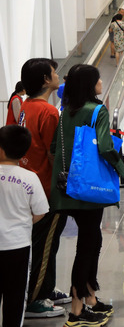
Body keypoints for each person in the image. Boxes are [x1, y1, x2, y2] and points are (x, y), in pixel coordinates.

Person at [52, 64, 123, 326]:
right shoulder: (97, 110)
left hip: (67, 187)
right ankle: (77, 311)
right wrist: (120, 165)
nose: (101, 82)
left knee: (91, 242)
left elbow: (53, 148)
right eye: (98, 79)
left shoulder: (64, 113)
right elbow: (105, 147)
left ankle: (90, 297)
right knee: (87, 247)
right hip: (90, 191)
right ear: (89, 84)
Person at [17, 59, 68, 319]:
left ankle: (46, 287)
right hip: (46, 189)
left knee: (44, 242)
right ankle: (36, 297)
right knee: (45, 242)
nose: (58, 75)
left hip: (29, 183)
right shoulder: (48, 112)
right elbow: (53, 153)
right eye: (54, 72)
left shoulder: (26, 106)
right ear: (46, 80)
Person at [0, 125, 49, 327]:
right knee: (16, 297)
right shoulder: (29, 178)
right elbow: (41, 211)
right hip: (18, 246)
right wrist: (23, 222)